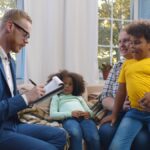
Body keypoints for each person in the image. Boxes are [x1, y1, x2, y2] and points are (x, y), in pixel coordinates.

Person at [0, 9, 66, 150]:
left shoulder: (10, 62)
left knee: (60, 136)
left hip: (11, 124)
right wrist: (26, 98)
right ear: (10, 26)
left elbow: (9, 98)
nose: (27, 41)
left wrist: (34, 96)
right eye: (25, 35)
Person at [98, 29, 150, 149]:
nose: (124, 45)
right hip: (132, 112)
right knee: (107, 133)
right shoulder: (121, 66)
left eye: (127, 41)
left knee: (141, 139)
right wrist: (117, 110)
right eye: (120, 41)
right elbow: (108, 94)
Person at [49, 70, 100, 150]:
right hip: (69, 119)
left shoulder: (79, 97)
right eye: (64, 83)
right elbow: (52, 115)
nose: (67, 86)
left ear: (76, 86)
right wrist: (70, 114)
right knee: (75, 133)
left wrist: (89, 114)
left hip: (85, 119)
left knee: (93, 137)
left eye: (70, 84)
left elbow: (90, 112)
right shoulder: (57, 97)